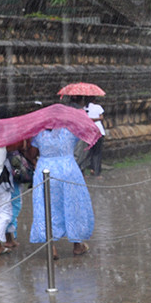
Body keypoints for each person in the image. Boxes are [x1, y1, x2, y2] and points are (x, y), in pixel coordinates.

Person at [29, 96, 95, 259]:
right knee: (73, 205)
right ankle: (77, 244)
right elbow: (86, 133)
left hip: (45, 170)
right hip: (68, 169)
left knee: (47, 207)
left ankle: (51, 247)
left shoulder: (39, 133)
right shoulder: (69, 130)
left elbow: (31, 153)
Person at [83, 99, 106, 176]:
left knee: (90, 152)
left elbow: (86, 119)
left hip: (89, 133)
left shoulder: (84, 109)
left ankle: (91, 169)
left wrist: (91, 120)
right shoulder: (98, 107)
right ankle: (96, 171)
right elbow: (101, 117)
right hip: (99, 132)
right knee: (97, 153)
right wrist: (97, 119)